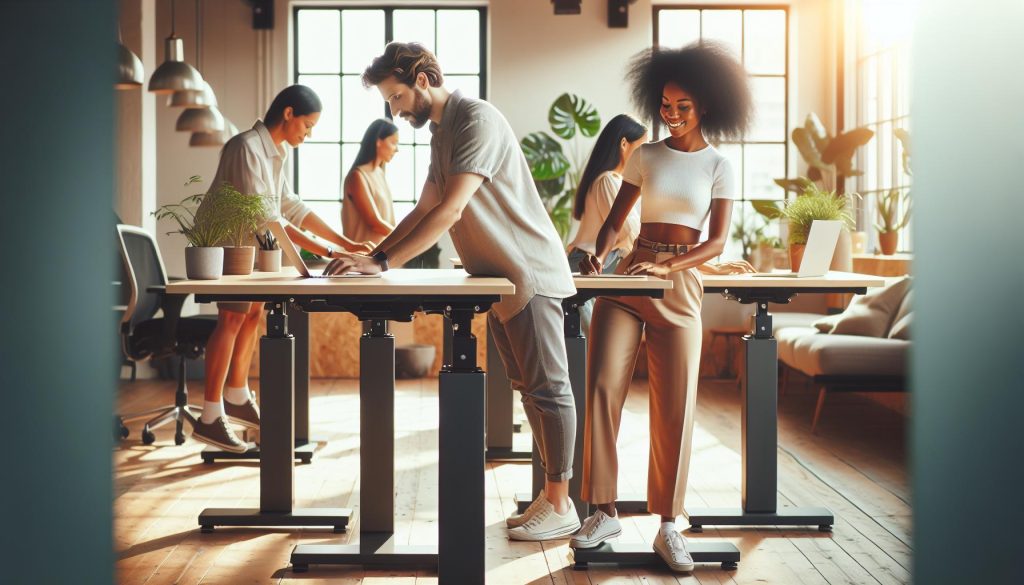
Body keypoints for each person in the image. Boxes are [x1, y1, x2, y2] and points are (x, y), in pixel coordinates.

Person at [325, 42, 581, 541]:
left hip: (528, 274)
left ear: (422, 80)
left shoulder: (475, 120)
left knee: (550, 391)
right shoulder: (443, 132)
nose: (394, 111)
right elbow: (424, 207)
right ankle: (551, 498)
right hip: (500, 280)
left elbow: (451, 211)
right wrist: (373, 256)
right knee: (531, 392)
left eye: (396, 97)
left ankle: (562, 502)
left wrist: (380, 263)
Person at [571, 42, 756, 572]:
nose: (672, 116)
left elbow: (717, 242)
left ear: (708, 108)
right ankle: (602, 510)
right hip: (630, 276)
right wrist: (596, 255)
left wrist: (669, 268)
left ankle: (669, 526)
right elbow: (614, 221)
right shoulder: (646, 156)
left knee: (675, 405)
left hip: (678, 283)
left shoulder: (720, 166)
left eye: (684, 107)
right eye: (666, 105)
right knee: (603, 387)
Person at [191, 85, 374, 453]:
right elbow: (268, 217)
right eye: (308, 125)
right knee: (230, 319)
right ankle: (210, 417)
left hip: (248, 246)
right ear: (288, 114)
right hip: (223, 243)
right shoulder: (245, 147)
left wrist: (346, 243)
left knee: (254, 312)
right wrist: (329, 249)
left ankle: (237, 394)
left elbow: (290, 205)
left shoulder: (277, 152)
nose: (309, 134)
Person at [565, 113, 647, 333]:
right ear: (624, 144)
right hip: (589, 264)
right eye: (642, 148)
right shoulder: (608, 180)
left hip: (593, 262)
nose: (645, 156)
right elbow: (629, 231)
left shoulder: (612, 180)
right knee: (590, 341)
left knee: (592, 340)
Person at [342, 119, 399, 246]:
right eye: (393, 142)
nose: (397, 149)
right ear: (378, 141)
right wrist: (406, 239)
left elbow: (388, 222)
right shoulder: (357, 176)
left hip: (382, 256)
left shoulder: (379, 173)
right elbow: (375, 223)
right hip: (361, 258)